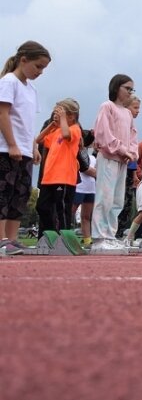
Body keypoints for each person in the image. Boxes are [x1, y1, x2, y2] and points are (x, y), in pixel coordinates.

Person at [0, 41, 50, 255]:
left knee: (20, 196)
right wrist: (12, 144)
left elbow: (28, 122)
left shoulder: (32, 89)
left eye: (43, 69)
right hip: (6, 149)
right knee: (3, 193)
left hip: (25, 150)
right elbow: (3, 114)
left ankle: (11, 239)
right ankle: (1, 239)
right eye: (38, 66)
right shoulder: (9, 82)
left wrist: (34, 147)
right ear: (23, 60)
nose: (40, 72)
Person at [91, 74, 138, 252]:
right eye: (127, 88)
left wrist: (132, 152)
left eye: (131, 89)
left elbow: (133, 136)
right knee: (105, 197)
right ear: (116, 87)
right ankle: (98, 238)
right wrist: (122, 149)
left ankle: (110, 235)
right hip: (109, 157)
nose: (129, 92)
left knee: (117, 199)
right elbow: (103, 133)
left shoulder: (127, 113)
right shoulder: (107, 106)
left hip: (122, 161)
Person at [34, 99, 81, 235]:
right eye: (55, 113)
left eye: (60, 113)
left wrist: (62, 121)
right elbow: (39, 140)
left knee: (62, 208)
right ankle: (52, 232)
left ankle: (64, 235)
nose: (56, 115)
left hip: (64, 177)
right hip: (49, 177)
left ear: (71, 117)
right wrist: (51, 125)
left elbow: (67, 135)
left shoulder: (74, 129)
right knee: (41, 207)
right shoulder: (55, 132)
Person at [116, 94, 141, 238]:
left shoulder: (132, 127)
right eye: (135, 108)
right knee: (118, 200)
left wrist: (134, 174)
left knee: (127, 203)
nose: (138, 111)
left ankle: (120, 232)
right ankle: (113, 232)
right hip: (119, 166)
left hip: (129, 170)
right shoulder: (121, 124)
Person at [73, 130, 97, 248]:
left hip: (90, 189)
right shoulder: (78, 153)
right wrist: (98, 174)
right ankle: (64, 235)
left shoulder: (92, 157)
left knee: (86, 216)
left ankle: (87, 240)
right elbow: (86, 169)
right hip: (79, 187)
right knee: (70, 212)